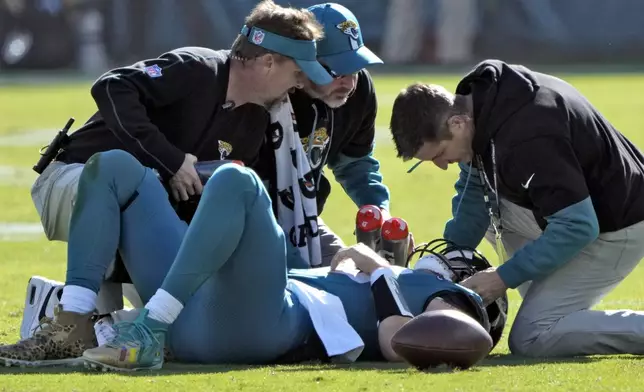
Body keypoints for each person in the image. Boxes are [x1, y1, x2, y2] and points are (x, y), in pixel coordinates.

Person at [0, 149, 497, 370]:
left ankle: (148, 330)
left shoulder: (448, 295)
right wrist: (355, 265)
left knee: (238, 181)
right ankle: (74, 321)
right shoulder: (374, 277)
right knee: (115, 168)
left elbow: (402, 343)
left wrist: (384, 274)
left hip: (258, 327)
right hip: (200, 309)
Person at [25, 0, 332, 320]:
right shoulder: (197, 67)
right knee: (132, 196)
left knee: (176, 320)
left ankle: (65, 313)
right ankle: (73, 312)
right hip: (72, 179)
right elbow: (111, 86)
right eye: (297, 72)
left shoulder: (253, 124)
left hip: (138, 207)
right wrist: (171, 161)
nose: (299, 84)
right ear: (268, 62)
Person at [388, 59, 644, 357]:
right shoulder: (480, 105)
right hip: (590, 213)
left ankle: (553, 315)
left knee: (532, 336)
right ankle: (550, 305)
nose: (442, 165)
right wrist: (440, 267)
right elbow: (475, 194)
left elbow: (578, 225)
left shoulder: (528, 135)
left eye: (440, 154)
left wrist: (502, 278)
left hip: (621, 225)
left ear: (456, 123)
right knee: (495, 211)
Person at [288, 3, 395, 265]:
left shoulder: (359, 92)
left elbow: (355, 162)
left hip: (304, 220)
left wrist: (379, 210)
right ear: (306, 63)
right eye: (336, 70)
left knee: (355, 277)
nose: (348, 83)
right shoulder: (274, 92)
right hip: (254, 223)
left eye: (355, 68)